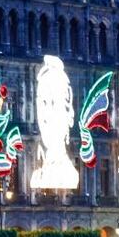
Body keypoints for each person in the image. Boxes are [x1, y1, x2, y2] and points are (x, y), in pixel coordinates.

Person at [30, 56, 79, 189]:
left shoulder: (70, 176)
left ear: (68, 109)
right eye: (42, 103)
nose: (46, 116)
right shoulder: (36, 176)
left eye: (54, 103)